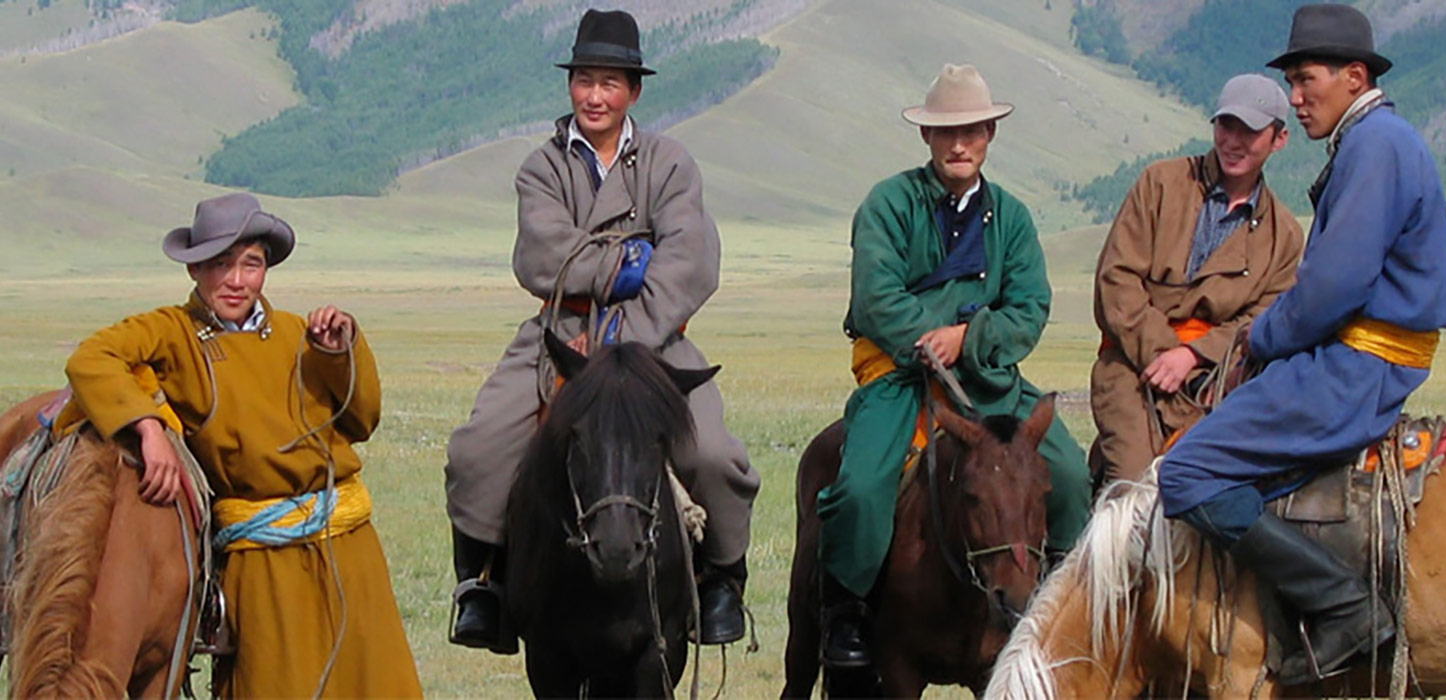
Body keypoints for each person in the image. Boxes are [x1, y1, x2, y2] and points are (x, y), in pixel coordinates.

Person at [1156, 3, 1446, 685]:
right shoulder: (1375, 140)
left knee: (1184, 474)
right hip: (1364, 356)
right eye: (1291, 84)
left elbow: (1334, 285)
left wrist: (1261, 338)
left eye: (1306, 81)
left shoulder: (1374, 146)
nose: (1294, 99)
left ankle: (1345, 608)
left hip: (1359, 365)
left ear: (1355, 76)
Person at [443, 8, 759, 652]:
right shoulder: (542, 168)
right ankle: (485, 582)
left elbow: (688, 263)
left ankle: (721, 578)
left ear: (634, 92)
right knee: (478, 448)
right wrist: (627, 259)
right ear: (570, 87)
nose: (595, 95)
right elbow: (542, 256)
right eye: (585, 80)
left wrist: (623, 330)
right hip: (560, 336)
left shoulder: (670, 164)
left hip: (654, 340)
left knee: (715, 456)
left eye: (610, 83)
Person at [61, 192, 423, 697]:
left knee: (375, 683)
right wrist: (146, 427)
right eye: (220, 264)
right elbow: (91, 359)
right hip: (262, 561)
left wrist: (339, 352)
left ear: (266, 269)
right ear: (195, 271)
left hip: (349, 547)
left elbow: (361, 420)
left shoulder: (300, 332)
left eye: (250, 265)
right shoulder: (172, 331)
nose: (236, 280)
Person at [817, 64, 1092, 668]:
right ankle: (847, 613)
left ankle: (1063, 607)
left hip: (989, 380)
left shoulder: (1013, 219)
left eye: (972, 130)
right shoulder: (887, 205)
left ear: (990, 133)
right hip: (900, 376)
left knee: (1069, 474)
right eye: (946, 132)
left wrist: (968, 338)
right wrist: (926, 338)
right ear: (927, 138)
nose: (960, 144)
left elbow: (1029, 307)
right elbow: (875, 296)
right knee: (862, 487)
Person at [1090, 73, 1306, 484]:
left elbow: (1263, 318)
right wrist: (1161, 353)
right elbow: (1116, 279)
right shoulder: (1160, 184)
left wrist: (1191, 356)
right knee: (1135, 488)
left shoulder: (1285, 236)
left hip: (1217, 380)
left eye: (1250, 131)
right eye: (1227, 126)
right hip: (1130, 365)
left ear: (1279, 139)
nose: (1233, 142)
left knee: (1224, 487)